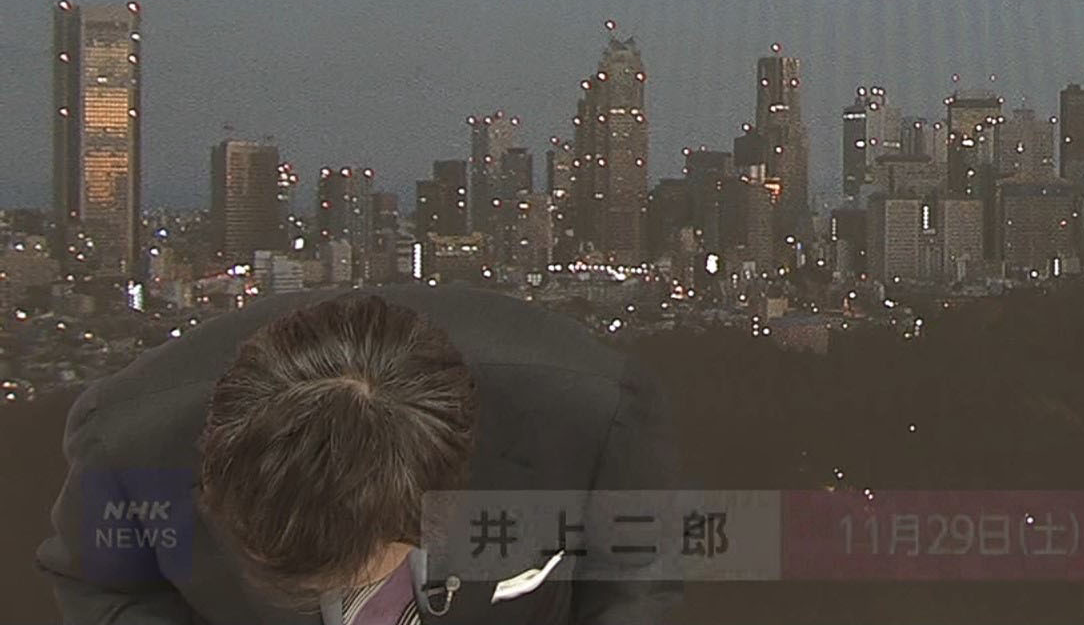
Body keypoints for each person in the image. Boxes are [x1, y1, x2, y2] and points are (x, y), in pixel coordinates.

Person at [34, 284, 684, 624]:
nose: (343, 597)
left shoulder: (595, 412)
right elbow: (99, 584)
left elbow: (638, 572)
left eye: (356, 576)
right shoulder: (124, 444)